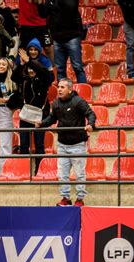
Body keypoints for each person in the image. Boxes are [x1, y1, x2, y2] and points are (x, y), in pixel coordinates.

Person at [35, 79, 96, 207]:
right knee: (62, 174)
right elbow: (52, 118)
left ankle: (80, 199)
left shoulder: (78, 101)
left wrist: (90, 124)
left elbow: (90, 113)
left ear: (70, 89)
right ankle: (65, 198)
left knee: (80, 174)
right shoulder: (56, 103)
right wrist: (42, 123)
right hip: (62, 144)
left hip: (78, 144)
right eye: (58, 87)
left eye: (62, 87)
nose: (59, 89)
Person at [12, 39, 54, 174]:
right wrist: (21, 64)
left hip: (41, 114)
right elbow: (14, 78)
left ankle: (39, 171)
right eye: (30, 49)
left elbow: (48, 76)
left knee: (40, 145)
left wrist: (30, 62)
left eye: (35, 49)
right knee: (24, 145)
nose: (33, 51)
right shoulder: (24, 74)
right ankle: (25, 171)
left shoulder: (43, 74)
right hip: (26, 114)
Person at [42, 0, 86, 84]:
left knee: (77, 67)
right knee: (60, 69)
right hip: (57, 38)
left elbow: (70, 7)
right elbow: (43, 14)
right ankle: (62, 95)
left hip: (72, 36)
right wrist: (40, 4)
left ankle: (83, 94)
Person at [18, 0, 53, 64]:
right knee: (23, 50)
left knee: (48, 48)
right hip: (26, 24)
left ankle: (53, 70)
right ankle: (22, 71)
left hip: (41, 23)